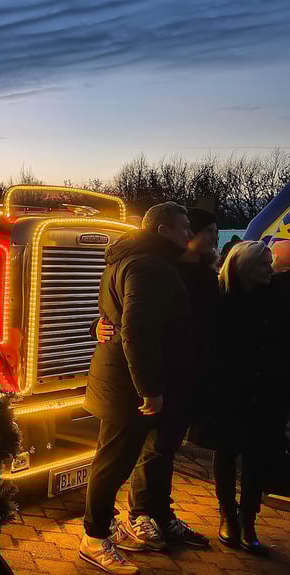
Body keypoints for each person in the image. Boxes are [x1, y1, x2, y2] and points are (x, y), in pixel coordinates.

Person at [78, 202, 192, 575]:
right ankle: (94, 539)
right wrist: (150, 389)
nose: (188, 235)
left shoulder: (130, 259)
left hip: (119, 379)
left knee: (114, 460)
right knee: (112, 464)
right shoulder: (149, 265)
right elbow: (136, 331)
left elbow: (115, 315)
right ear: (162, 230)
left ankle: (107, 527)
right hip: (128, 386)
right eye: (183, 227)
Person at [95, 207, 216, 550]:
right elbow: (125, 316)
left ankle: (162, 513)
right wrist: (98, 327)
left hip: (187, 374)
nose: (209, 237)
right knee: (136, 453)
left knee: (165, 450)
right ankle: (138, 515)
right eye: (203, 229)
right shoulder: (157, 266)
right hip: (159, 375)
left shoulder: (207, 276)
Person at [191, 241, 283, 554]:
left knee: (257, 455)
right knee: (227, 452)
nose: (269, 270)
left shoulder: (277, 296)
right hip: (227, 390)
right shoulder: (219, 298)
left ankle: (248, 519)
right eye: (262, 264)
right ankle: (228, 514)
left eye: (270, 263)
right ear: (243, 266)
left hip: (265, 389)